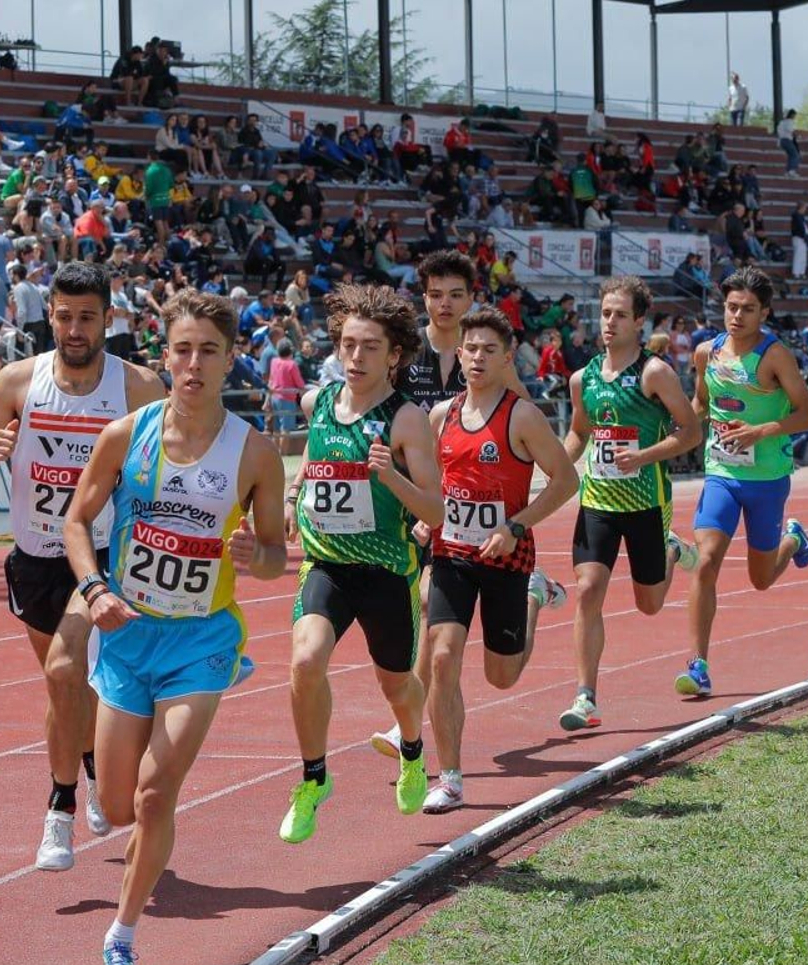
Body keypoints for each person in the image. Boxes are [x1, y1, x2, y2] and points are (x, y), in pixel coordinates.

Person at [61, 289, 287, 965]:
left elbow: (280, 553)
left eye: (209, 352)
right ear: (165, 357)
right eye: (182, 350)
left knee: (158, 798)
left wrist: (259, 554)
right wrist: (95, 590)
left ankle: (121, 940)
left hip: (201, 643)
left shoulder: (255, 453)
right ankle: (111, 800)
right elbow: (76, 523)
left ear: (229, 361)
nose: (194, 364)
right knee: (122, 807)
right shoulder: (127, 435)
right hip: (128, 637)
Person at [0, 262, 166, 873]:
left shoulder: (136, 388)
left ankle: (59, 813)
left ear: (109, 319)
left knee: (65, 663)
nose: (74, 330)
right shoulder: (18, 380)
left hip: (102, 553)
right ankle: (96, 771)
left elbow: (172, 451)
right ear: (48, 315)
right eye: (64, 316)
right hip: (34, 557)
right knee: (65, 687)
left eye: (87, 318)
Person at [280, 284, 444, 844]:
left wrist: (390, 476)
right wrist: (288, 500)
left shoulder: (406, 421)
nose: (355, 357)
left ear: (394, 355)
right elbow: (309, 469)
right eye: (348, 344)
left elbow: (435, 508)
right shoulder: (316, 403)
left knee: (396, 685)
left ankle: (413, 749)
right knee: (305, 662)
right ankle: (313, 778)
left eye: (369, 347)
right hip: (325, 566)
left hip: (386, 573)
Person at [394, 309, 578, 812]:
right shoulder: (441, 416)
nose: (476, 357)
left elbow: (566, 482)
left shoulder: (522, 416)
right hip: (451, 553)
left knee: (503, 676)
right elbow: (434, 484)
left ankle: (537, 596)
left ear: (505, 358)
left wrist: (515, 525)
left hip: (507, 559)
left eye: (488, 350)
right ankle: (450, 778)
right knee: (443, 655)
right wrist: (425, 517)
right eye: (469, 348)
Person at [560, 277, 702, 729]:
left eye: (620, 314)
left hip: (646, 503)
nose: (610, 322)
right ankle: (586, 696)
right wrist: (555, 468)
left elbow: (690, 431)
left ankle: (673, 549)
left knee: (649, 603)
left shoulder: (653, 373)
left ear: (639, 320)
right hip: (598, 501)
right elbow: (580, 434)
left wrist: (643, 456)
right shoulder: (582, 379)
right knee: (588, 591)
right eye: (605, 313)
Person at [677, 267, 808, 696]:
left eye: (748, 309)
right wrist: (674, 424)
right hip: (721, 473)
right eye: (732, 307)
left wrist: (762, 431)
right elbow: (701, 402)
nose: (737, 316)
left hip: (767, 478)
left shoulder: (775, 356)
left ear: (765, 313)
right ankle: (698, 664)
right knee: (706, 560)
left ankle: (792, 540)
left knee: (760, 579)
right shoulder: (706, 353)